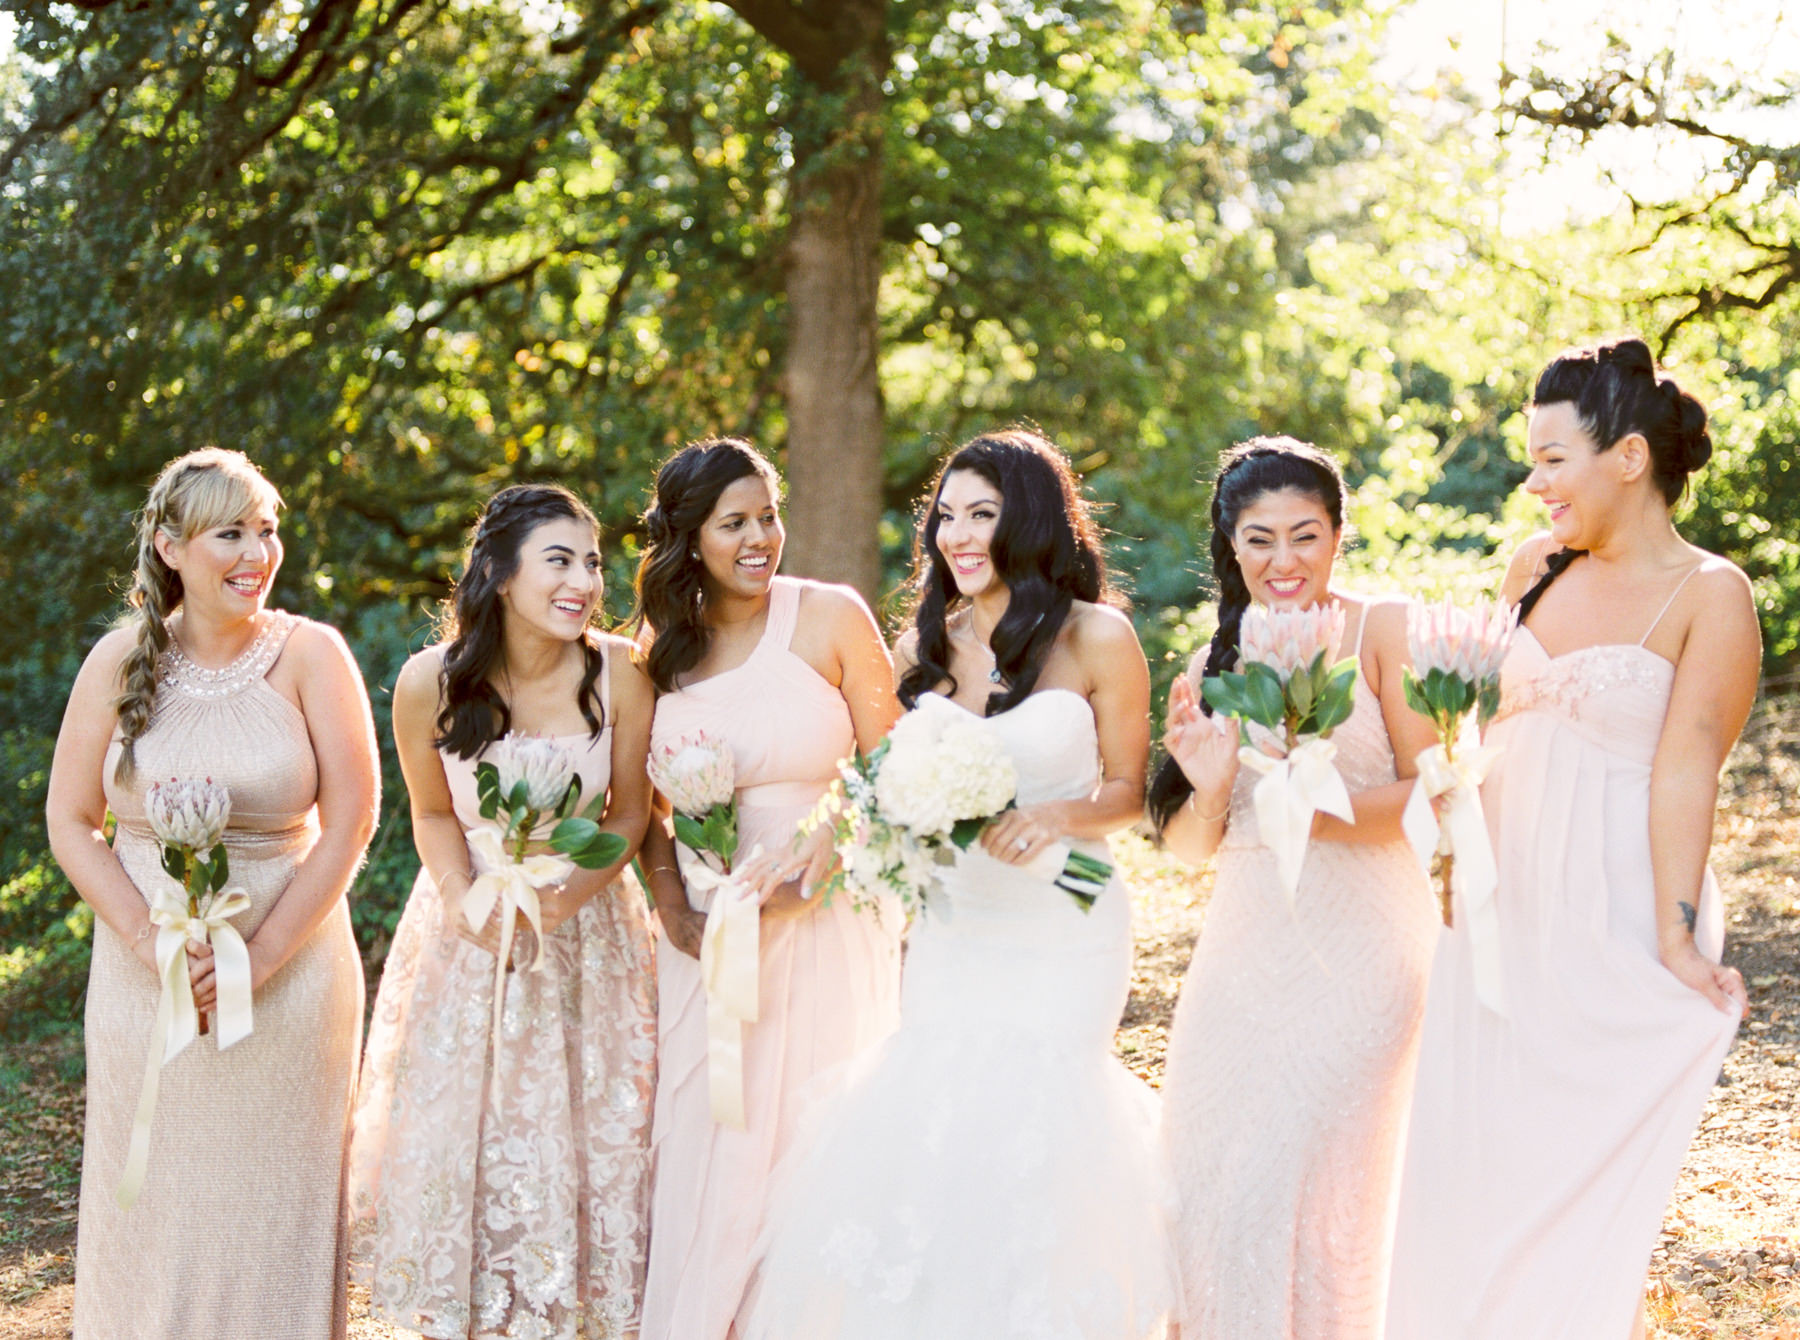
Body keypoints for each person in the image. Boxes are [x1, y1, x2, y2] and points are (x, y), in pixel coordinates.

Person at [742, 428, 1173, 1340]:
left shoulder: (1100, 636)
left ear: (1032, 520)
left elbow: (1129, 792)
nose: (958, 534)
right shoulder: (925, 643)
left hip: (1066, 920)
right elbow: (879, 778)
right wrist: (834, 838)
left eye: (983, 514)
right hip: (955, 924)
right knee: (941, 1126)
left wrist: (1056, 816)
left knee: (1044, 1127)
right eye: (947, 515)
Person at [1386, 338, 1754, 1340]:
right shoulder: (1533, 567)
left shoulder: (1709, 594)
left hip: (1612, 899)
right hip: (1500, 906)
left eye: (1553, 457)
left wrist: (1678, 938)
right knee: (1478, 1154)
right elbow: (1487, 722)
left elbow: (1687, 768)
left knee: (1569, 1166)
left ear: (1629, 457)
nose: (1534, 481)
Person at [47, 448, 378, 1339]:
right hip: (141, 976)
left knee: (275, 1215)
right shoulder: (119, 662)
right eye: (230, 532)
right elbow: (72, 821)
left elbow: (351, 820)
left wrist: (259, 958)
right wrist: (150, 939)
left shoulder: (314, 655)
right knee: (151, 1205)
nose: (256, 553)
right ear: (169, 546)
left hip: (294, 978)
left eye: (266, 530)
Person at [348, 484, 657, 1339]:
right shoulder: (429, 681)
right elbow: (434, 813)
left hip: (588, 932)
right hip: (469, 931)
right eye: (559, 560)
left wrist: (568, 898)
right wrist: (461, 899)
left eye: (593, 563)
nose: (585, 581)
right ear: (498, 574)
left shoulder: (623, 670)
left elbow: (630, 812)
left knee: (593, 1137)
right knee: (471, 1140)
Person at [1151, 436, 1440, 1338]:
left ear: (1340, 534)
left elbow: (1437, 786)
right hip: (1244, 950)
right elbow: (1191, 850)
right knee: (1208, 1173)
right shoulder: (1212, 667)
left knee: (1324, 1177)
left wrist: (1327, 807)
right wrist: (1205, 785)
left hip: (1366, 941)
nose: (1284, 562)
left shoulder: (1383, 630)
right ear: (1230, 547)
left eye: (1305, 536)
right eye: (1261, 540)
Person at [634, 438, 904, 1340]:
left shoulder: (829, 617)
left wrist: (832, 838)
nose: (761, 538)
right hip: (710, 936)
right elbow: (644, 812)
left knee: (811, 1136)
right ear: (688, 538)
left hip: (826, 915)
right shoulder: (658, 654)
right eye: (734, 523)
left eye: (768, 516)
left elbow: (892, 760)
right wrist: (673, 903)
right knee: (716, 1134)